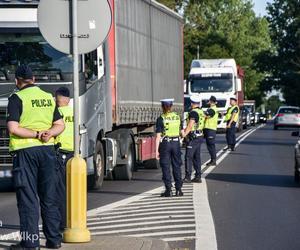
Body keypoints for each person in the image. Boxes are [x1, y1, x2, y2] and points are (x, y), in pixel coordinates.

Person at [7, 65, 65, 250]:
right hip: (48, 152)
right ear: (34, 79)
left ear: (17, 81)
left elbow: (13, 128)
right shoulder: (48, 97)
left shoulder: (17, 97)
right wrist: (48, 133)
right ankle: (54, 240)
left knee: (28, 198)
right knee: (49, 197)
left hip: (26, 153)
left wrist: (36, 134)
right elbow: (60, 125)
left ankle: (30, 243)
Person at [54, 87, 74, 232]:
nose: (56, 100)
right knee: (72, 189)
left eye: (57, 98)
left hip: (60, 153)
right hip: (74, 156)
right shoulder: (75, 113)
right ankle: (73, 219)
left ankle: (61, 223)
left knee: (59, 190)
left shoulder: (57, 113)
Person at [155, 99, 183, 197]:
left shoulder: (161, 118)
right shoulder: (177, 117)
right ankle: (179, 190)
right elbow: (182, 133)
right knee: (177, 166)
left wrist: (156, 151)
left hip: (165, 144)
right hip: (176, 144)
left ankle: (169, 190)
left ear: (162, 106)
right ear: (171, 106)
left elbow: (158, 136)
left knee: (166, 167)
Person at [182, 94, 205, 183]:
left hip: (194, 137)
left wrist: (184, 134)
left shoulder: (193, 112)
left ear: (192, 103)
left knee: (188, 157)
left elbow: (190, 125)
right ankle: (198, 176)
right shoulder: (201, 111)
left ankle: (188, 177)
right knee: (196, 157)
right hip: (199, 135)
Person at [203, 96, 219, 167]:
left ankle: (213, 160)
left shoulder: (213, 109)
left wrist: (201, 113)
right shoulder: (211, 109)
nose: (208, 101)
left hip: (211, 129)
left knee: (211, 145)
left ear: (211, 101)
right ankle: (213, 160)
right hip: (208, 128)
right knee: (209, 145)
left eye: (209, 100)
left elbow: (206, 115)